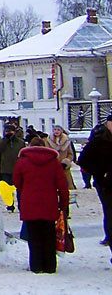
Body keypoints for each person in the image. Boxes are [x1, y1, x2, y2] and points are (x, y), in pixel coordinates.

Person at [14, 136, 70, 274]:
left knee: (34, 236)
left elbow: (16, 181)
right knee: (49, 235)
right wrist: (63, 203)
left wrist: (26, 190)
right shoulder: (54, 162)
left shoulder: (22, 162)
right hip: (49, 203)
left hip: (29, 203)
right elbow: (62, 185)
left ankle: (36, 265)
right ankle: (50, 266)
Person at [78, 112, 112, 261]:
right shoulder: (99, 138)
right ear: (108, 123)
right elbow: (83, 160)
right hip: (106, 184)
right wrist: (100, 173)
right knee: (111, 214)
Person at [0, 122, 26, 211]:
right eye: (7, 131)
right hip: (6, 169)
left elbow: (23, 153)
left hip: (18, 169)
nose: (9, 133)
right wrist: (5, 139)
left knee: (19, 189)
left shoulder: (20, 142)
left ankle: (21, 205)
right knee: (7, 189)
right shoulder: (3, 141)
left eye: (10, 131)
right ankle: (10, 205)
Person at [47, 125, 76, 190]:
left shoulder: (66, 141)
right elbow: (46, 153)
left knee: (66, 187)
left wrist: (66, 161)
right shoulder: (48, 141)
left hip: (64, 167)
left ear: (62, 131)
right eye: (55, 129)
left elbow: (70, 154)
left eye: (58, 130)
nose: (56, 131)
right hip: (52, 166)